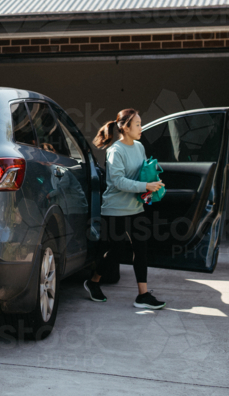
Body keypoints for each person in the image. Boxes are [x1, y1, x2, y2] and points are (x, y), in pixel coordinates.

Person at [83, 108, 167, 309]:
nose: (141, 128)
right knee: (117, 249)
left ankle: (143, 295)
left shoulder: (139, 147)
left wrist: (151, 184)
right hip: (115, 209)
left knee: (141, 249)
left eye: (140, 123)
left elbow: (141, 173)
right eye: (137, 124)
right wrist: (145, 186)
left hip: (136, 207)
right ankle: (93, 282)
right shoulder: (115, 151)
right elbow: (118, 181)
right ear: (125, 127)